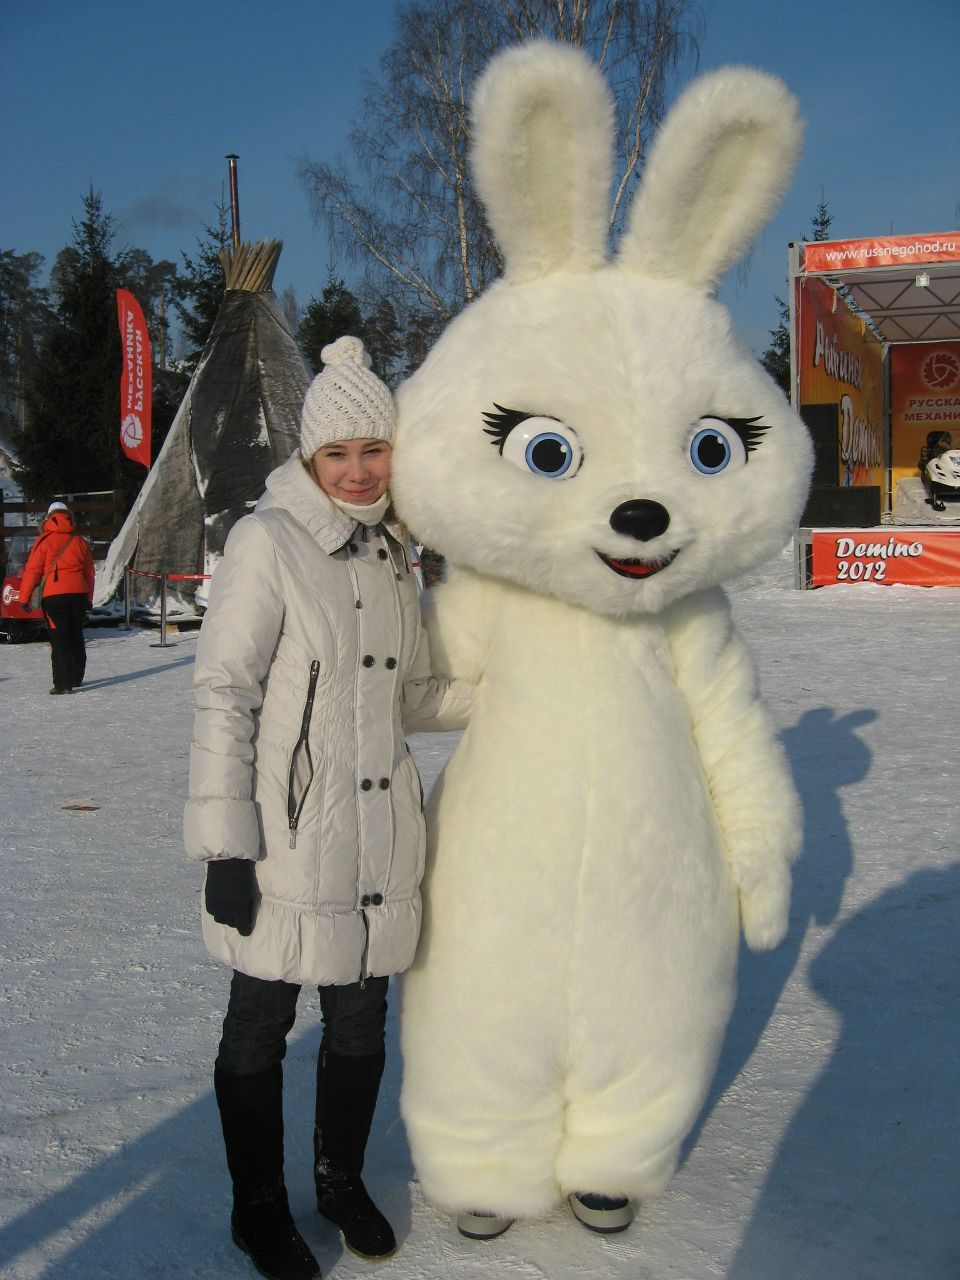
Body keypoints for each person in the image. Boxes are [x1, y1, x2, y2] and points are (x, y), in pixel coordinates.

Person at [184, 336, 471, 1280]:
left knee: (359, 1025)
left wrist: (524, 687)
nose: (357, 472)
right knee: (259, 1026)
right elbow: (225, 692)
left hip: (382, 840)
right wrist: (227, 844)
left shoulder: (398, 555)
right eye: (337, 454)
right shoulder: (265, 542)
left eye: (373, 451)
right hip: (288, 839)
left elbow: (413, 697)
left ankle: (338, 1180)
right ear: (309, 460)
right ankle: (257, 1207)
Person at [18, 500, 95, 694]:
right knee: (76, 635)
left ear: (49, 519)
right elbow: (90, 574)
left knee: (59, 638)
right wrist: (89, 598)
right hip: (79, 594)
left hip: (54, 596)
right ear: (68, 517)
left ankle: (63, 684)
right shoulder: (79, 541)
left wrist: (23, 597)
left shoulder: (43, 541)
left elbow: (33, 571)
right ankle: (77, 678)